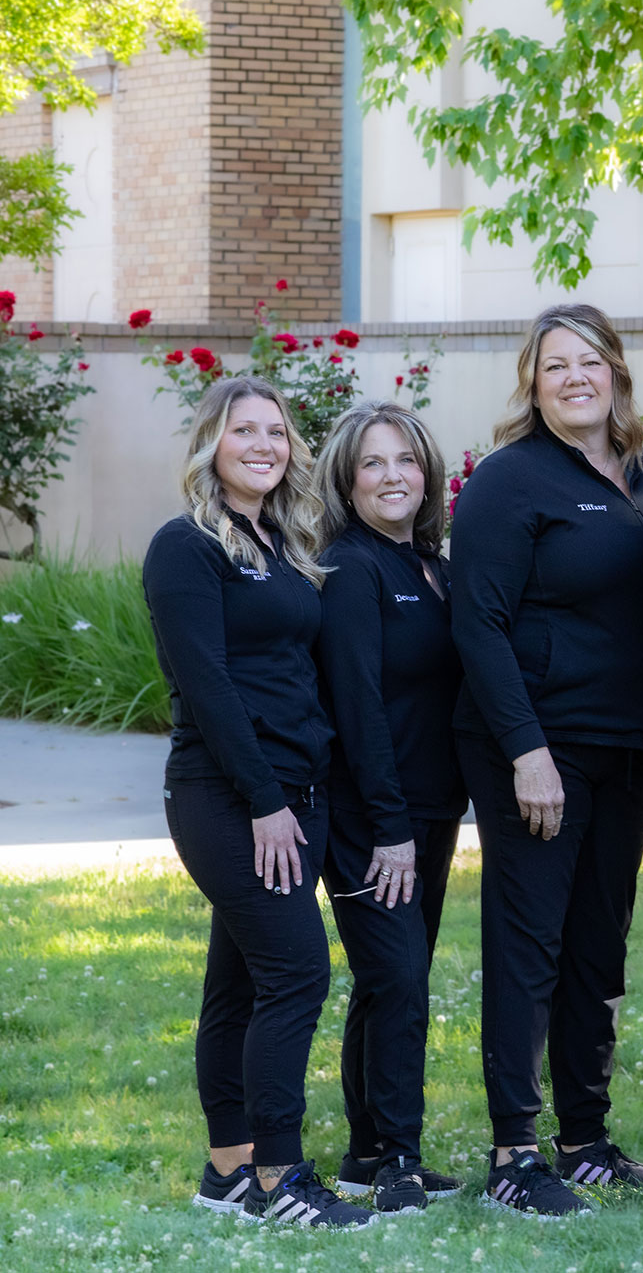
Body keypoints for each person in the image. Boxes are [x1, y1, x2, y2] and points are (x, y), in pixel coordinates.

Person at [452, 303, 643, 1219]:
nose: (576, 378)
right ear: (533, 384)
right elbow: (479, 621)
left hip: (623, 748)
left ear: (618, 373)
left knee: (599, 943)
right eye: (555, 367)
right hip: (534, 749)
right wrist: (526, 752)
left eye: (590, 362)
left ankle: (584, 1141)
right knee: (530, 943)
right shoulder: (510, 482)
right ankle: (515, 1152)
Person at [144, 376, 373, 1228]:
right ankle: (280, 1177)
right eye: (245, 432)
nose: (265, 446)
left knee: (237, 981)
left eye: (276, 432)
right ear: (213, 443)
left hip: (293, 793)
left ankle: (228, 1172)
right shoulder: (186, 547)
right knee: (297, 972)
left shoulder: (278, 543)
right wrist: (266, 799)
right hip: (229, 794)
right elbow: (206, 688)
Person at [313, 402, 465, 1212]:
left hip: (432, 809)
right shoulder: (350, 568)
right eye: (373, 463)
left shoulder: (430, 565)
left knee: (387, 980)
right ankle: (399, 1161)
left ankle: (367, 1150)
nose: (392, 476)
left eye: (406, 460)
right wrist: (390, 829)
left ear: (428, 473)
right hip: (374, 819)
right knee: (400, 977)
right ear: (347, 478)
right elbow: (359, 706)